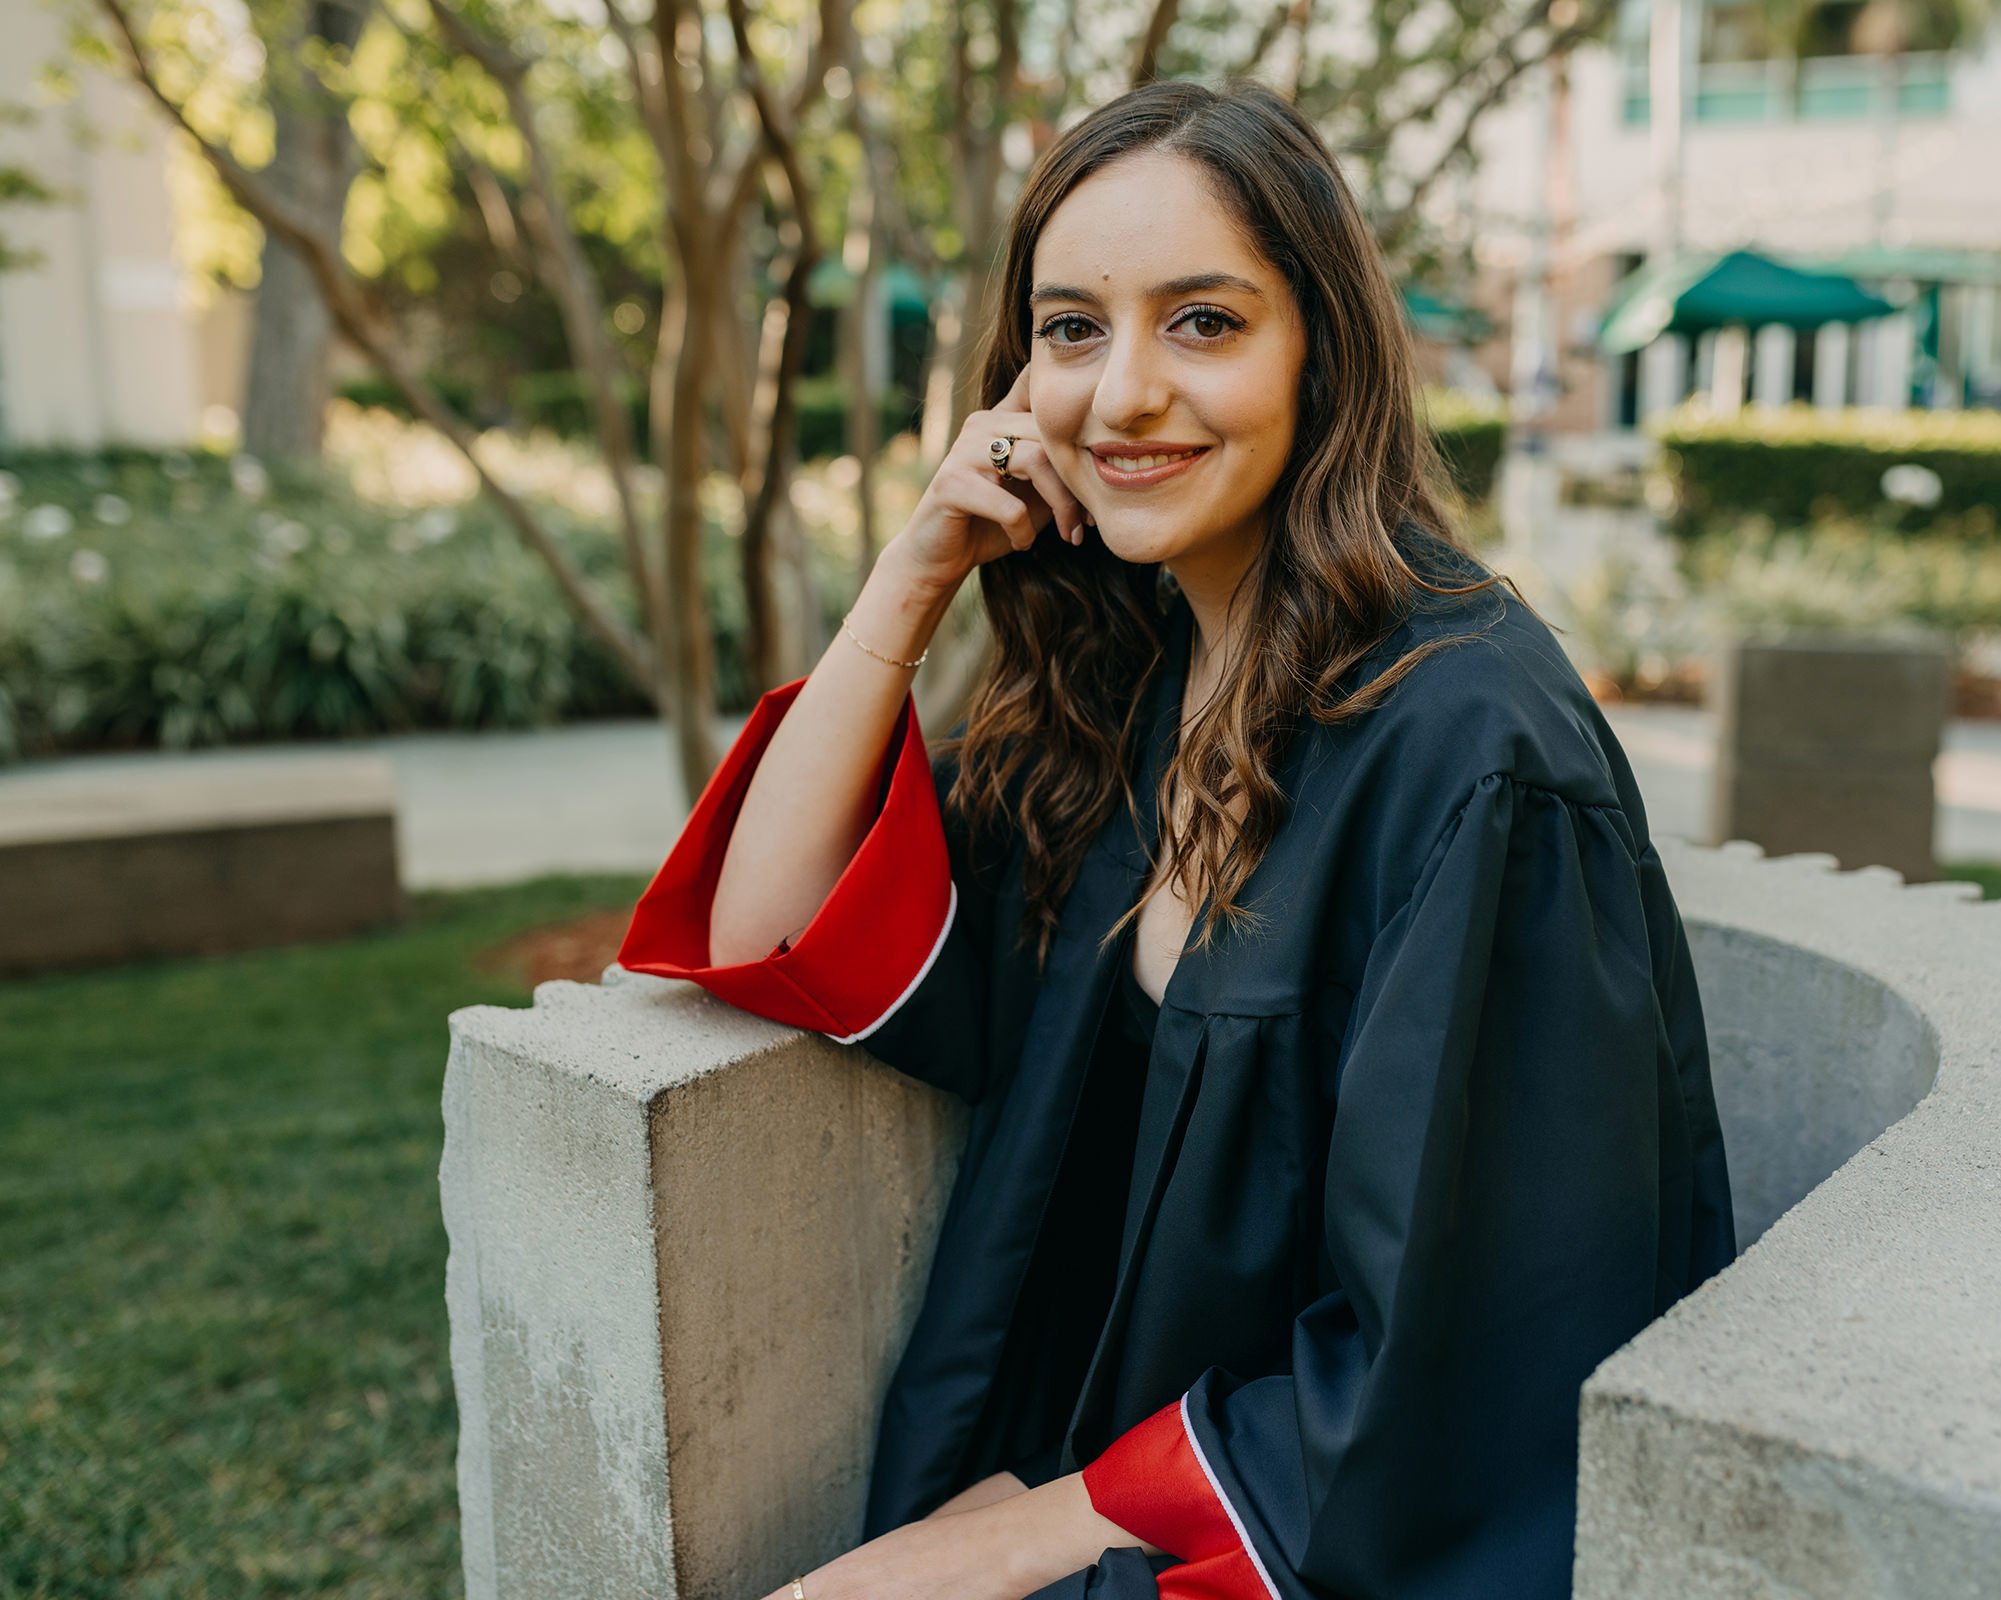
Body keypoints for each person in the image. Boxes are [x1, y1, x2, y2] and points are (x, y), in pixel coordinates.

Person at [616, 75, 1736, 1600]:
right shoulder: (1145, 680)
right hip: (1101, 1474)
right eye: (1072, 329)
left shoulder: (1471, 749)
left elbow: (1481, 1351)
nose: (1123, 392)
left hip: (1276, 1535)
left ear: (1322, 356)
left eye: (1202, 321)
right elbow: (769, 927)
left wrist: (1029, 1533)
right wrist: (917, 565)